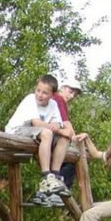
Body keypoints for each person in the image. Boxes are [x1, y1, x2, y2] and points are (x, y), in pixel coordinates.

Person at [5, 74, 71, 206]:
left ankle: (55, 176)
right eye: (38, 90)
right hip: (18, 131)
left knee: (64, 139)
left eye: (45, 93)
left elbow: (57, 123)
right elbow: (36, 123)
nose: (40, 95)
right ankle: (46, 175)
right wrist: (58, 129)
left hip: (37, 134)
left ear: (53, 95)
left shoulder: (53, 104)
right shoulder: (30, 99)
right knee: (47, 133)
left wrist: (59, 129)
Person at [49, 79, 83, 206]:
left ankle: (56, 188)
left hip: (47, 136)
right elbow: (65, 123)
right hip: (49, 137)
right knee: (74, 158)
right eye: (70, 91)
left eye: (74, 94)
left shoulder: (53, 98)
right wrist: (74, 138)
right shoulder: (58, 99)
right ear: (62, 87)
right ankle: (58, 189)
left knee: (66, 161)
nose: (72, 96)